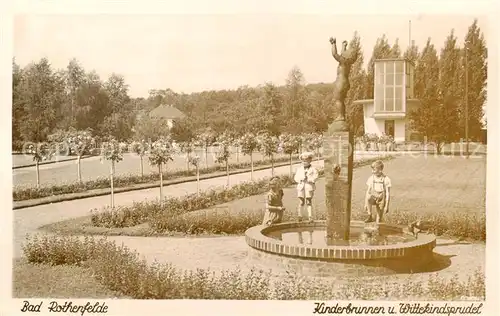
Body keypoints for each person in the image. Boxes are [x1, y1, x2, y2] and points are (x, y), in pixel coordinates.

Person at [294, 151, 319, 222]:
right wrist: (301, 179)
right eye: (303, 160)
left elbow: (316, 176)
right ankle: (300, 216)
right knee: (301, 201)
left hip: (308, 186)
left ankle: (310, 217)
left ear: (310, 160)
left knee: (308, 201)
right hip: (301, 186)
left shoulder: (313, 169)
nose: (304, 162)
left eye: (306, 160)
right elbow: (295, 178)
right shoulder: (299, 169)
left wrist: (310, 179)